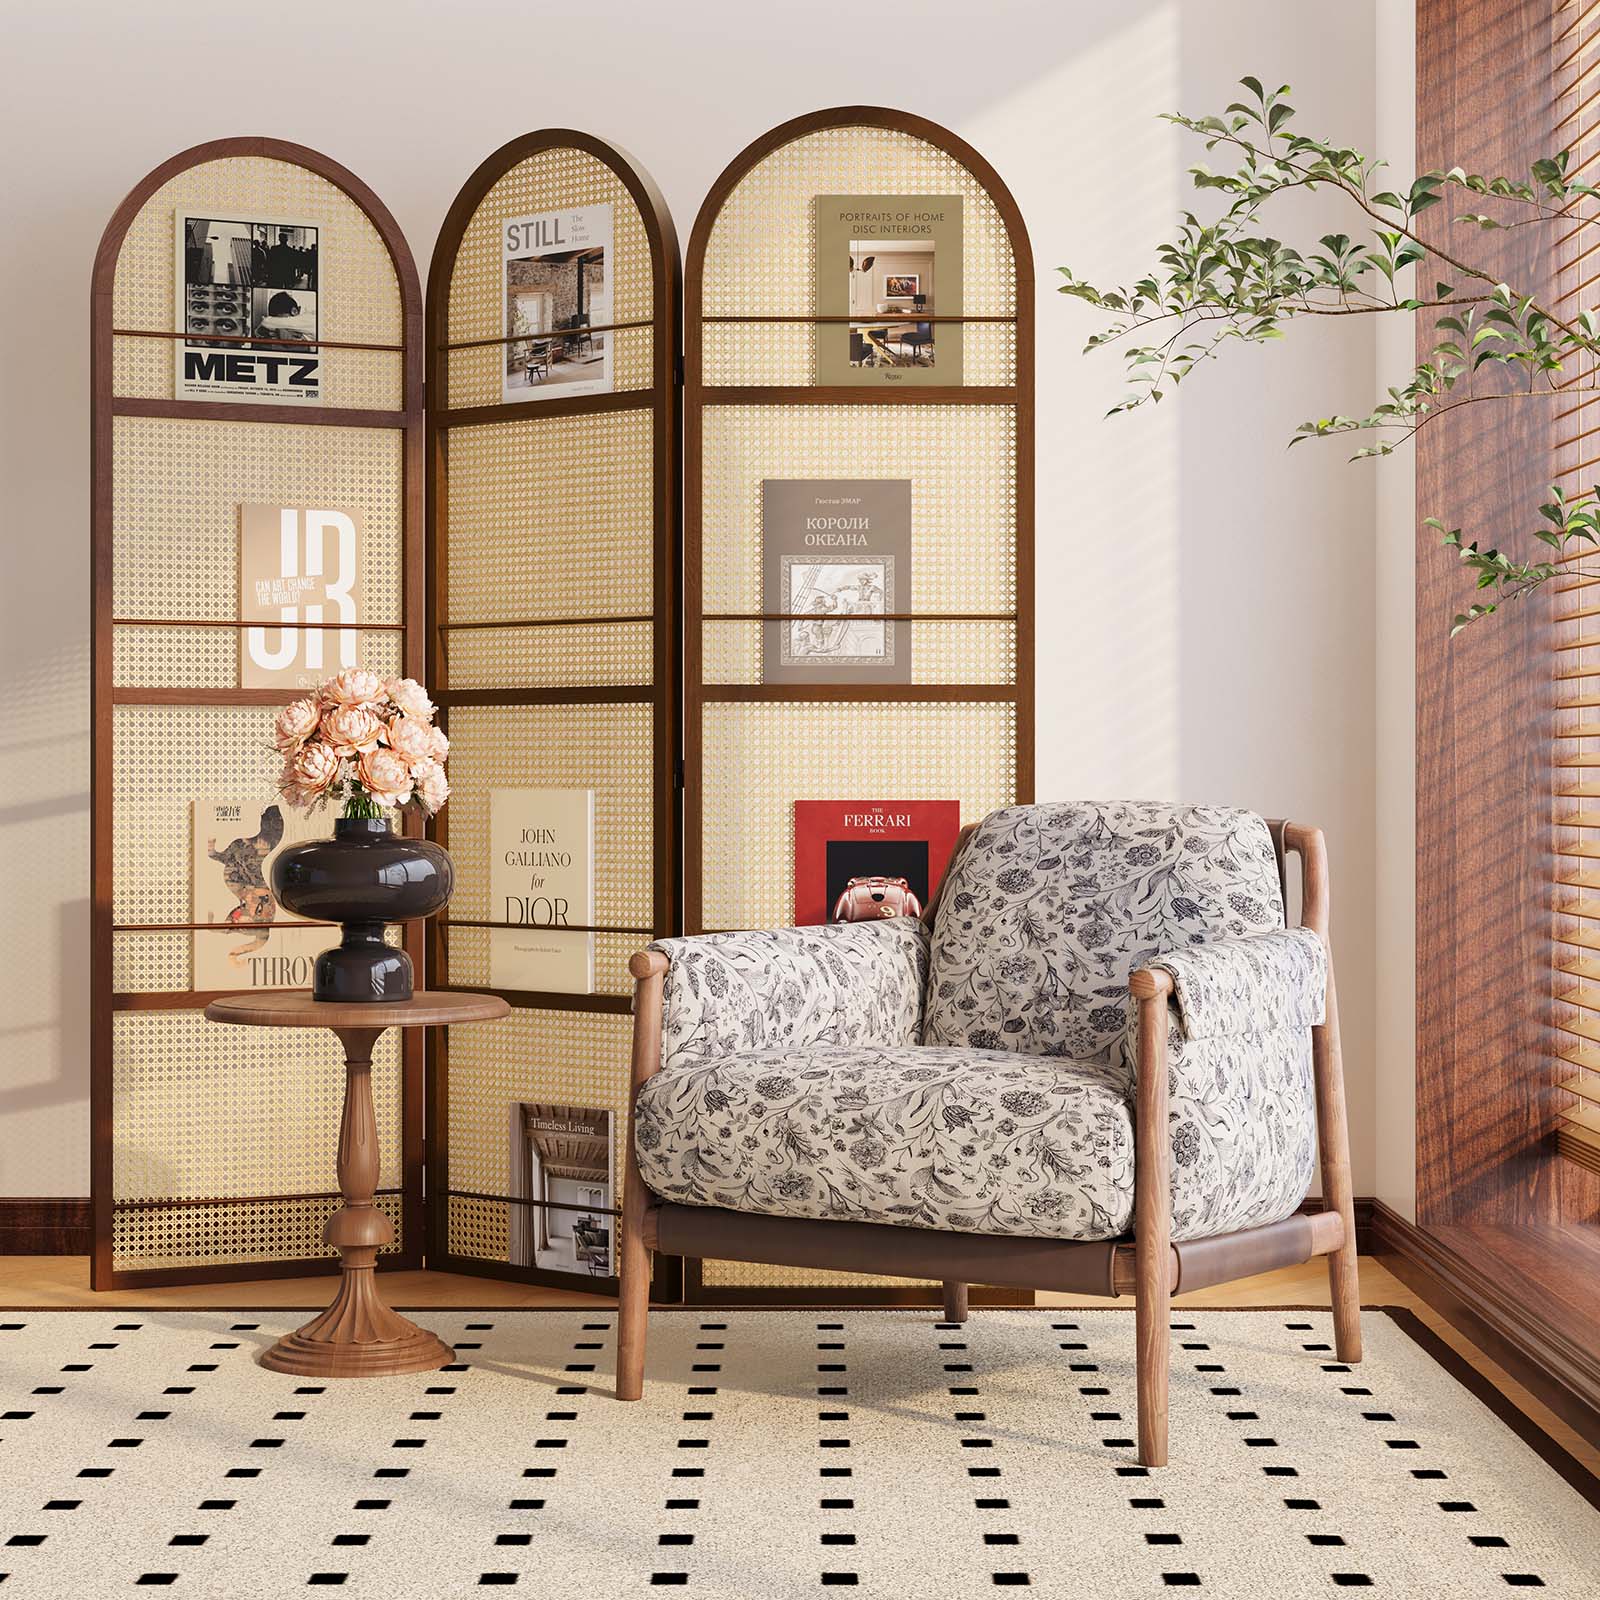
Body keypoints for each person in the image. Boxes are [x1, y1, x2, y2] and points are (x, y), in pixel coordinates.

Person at [206, 805, 285, 967]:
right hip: (252, 884)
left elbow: (218, 857)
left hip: (252, 884)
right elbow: (219, 857)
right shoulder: (241, 845)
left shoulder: (254, 847)